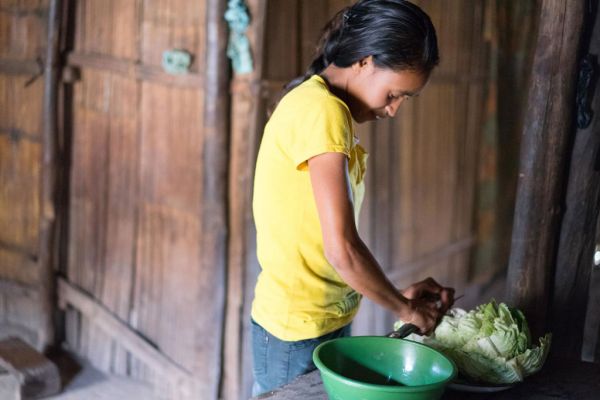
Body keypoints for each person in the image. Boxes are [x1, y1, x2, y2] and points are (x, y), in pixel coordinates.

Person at [250, 0, 455, 395]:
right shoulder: (322, 112)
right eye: (395, 94)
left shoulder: (321, 106)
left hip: (316, 321)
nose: (393, 110)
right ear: (365, 61)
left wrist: (398, 296)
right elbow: (341, 249)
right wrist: (405, 310)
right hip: (297, 332)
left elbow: (328, 247)